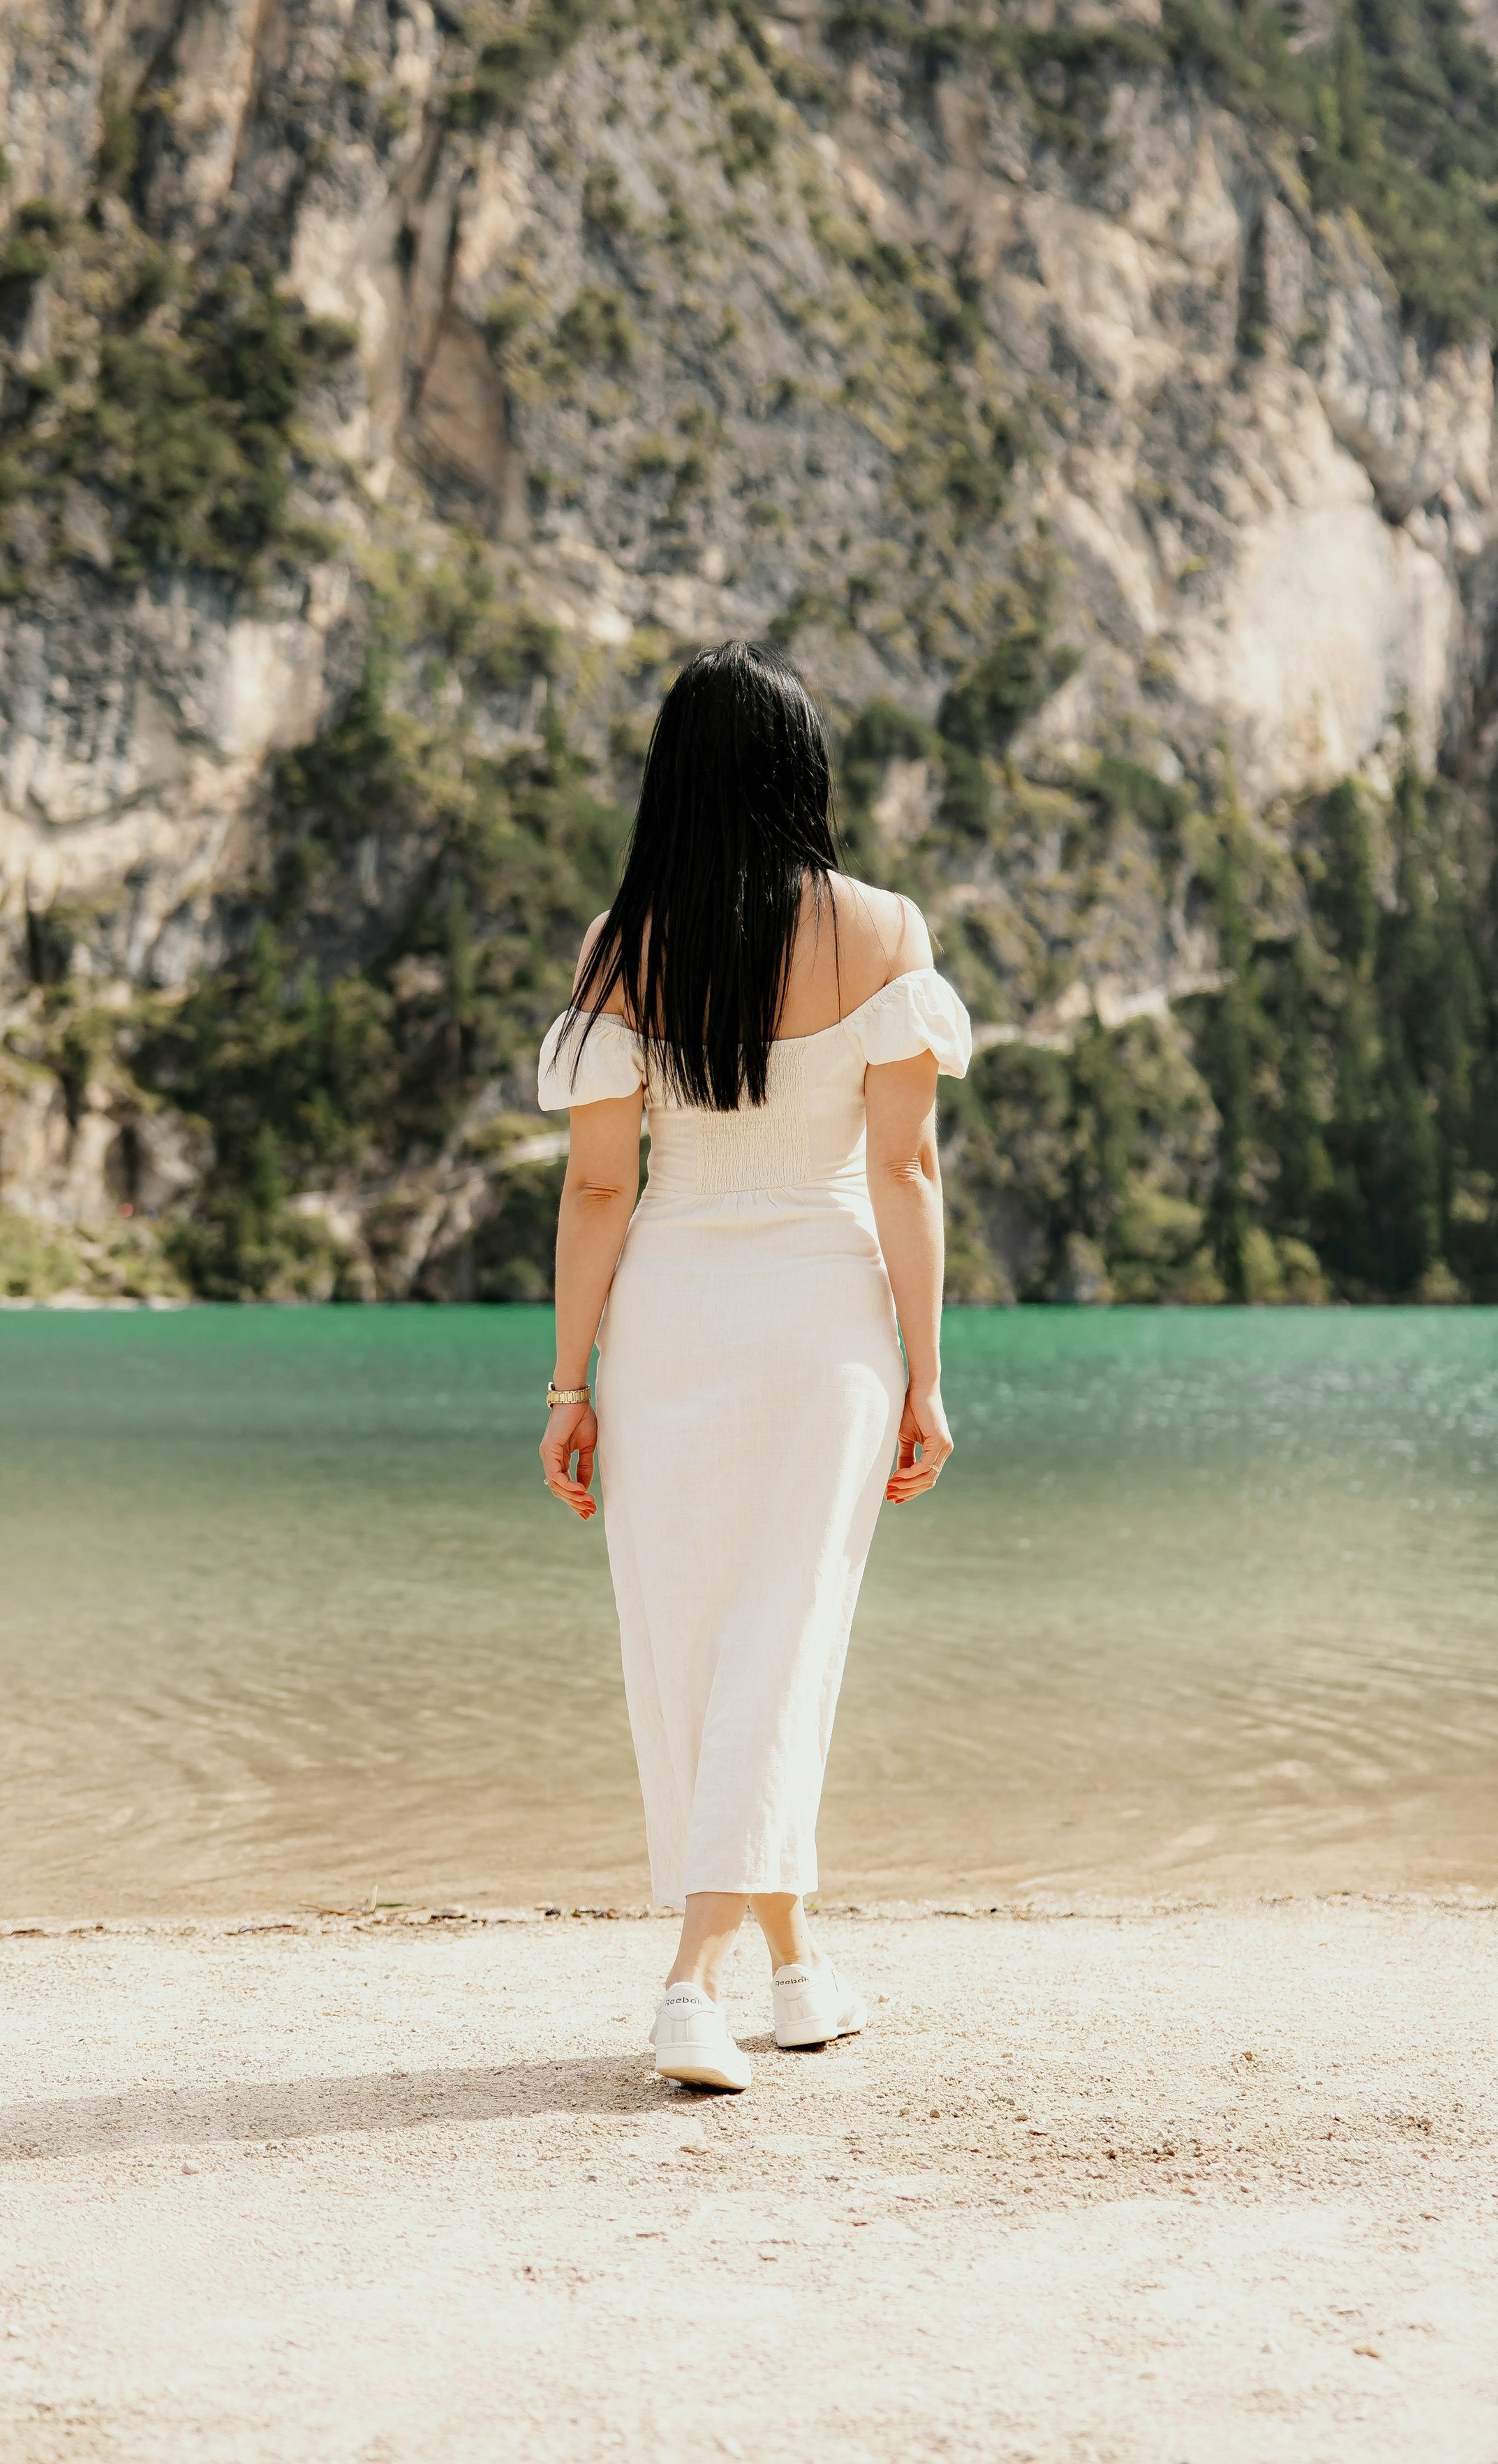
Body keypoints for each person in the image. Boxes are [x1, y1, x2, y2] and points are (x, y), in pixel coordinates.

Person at [535, 641, 970, 2091]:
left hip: (668, 1321)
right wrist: (923, 1375)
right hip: (820, 1325)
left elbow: (599, 1191)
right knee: (781, 1639)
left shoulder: (621, 944)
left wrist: (564, 1386)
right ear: (802, 771)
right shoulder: (880, 931)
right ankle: (692, 1986)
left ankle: (793, 1974)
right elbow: (903, 1173)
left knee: (699, 1643)